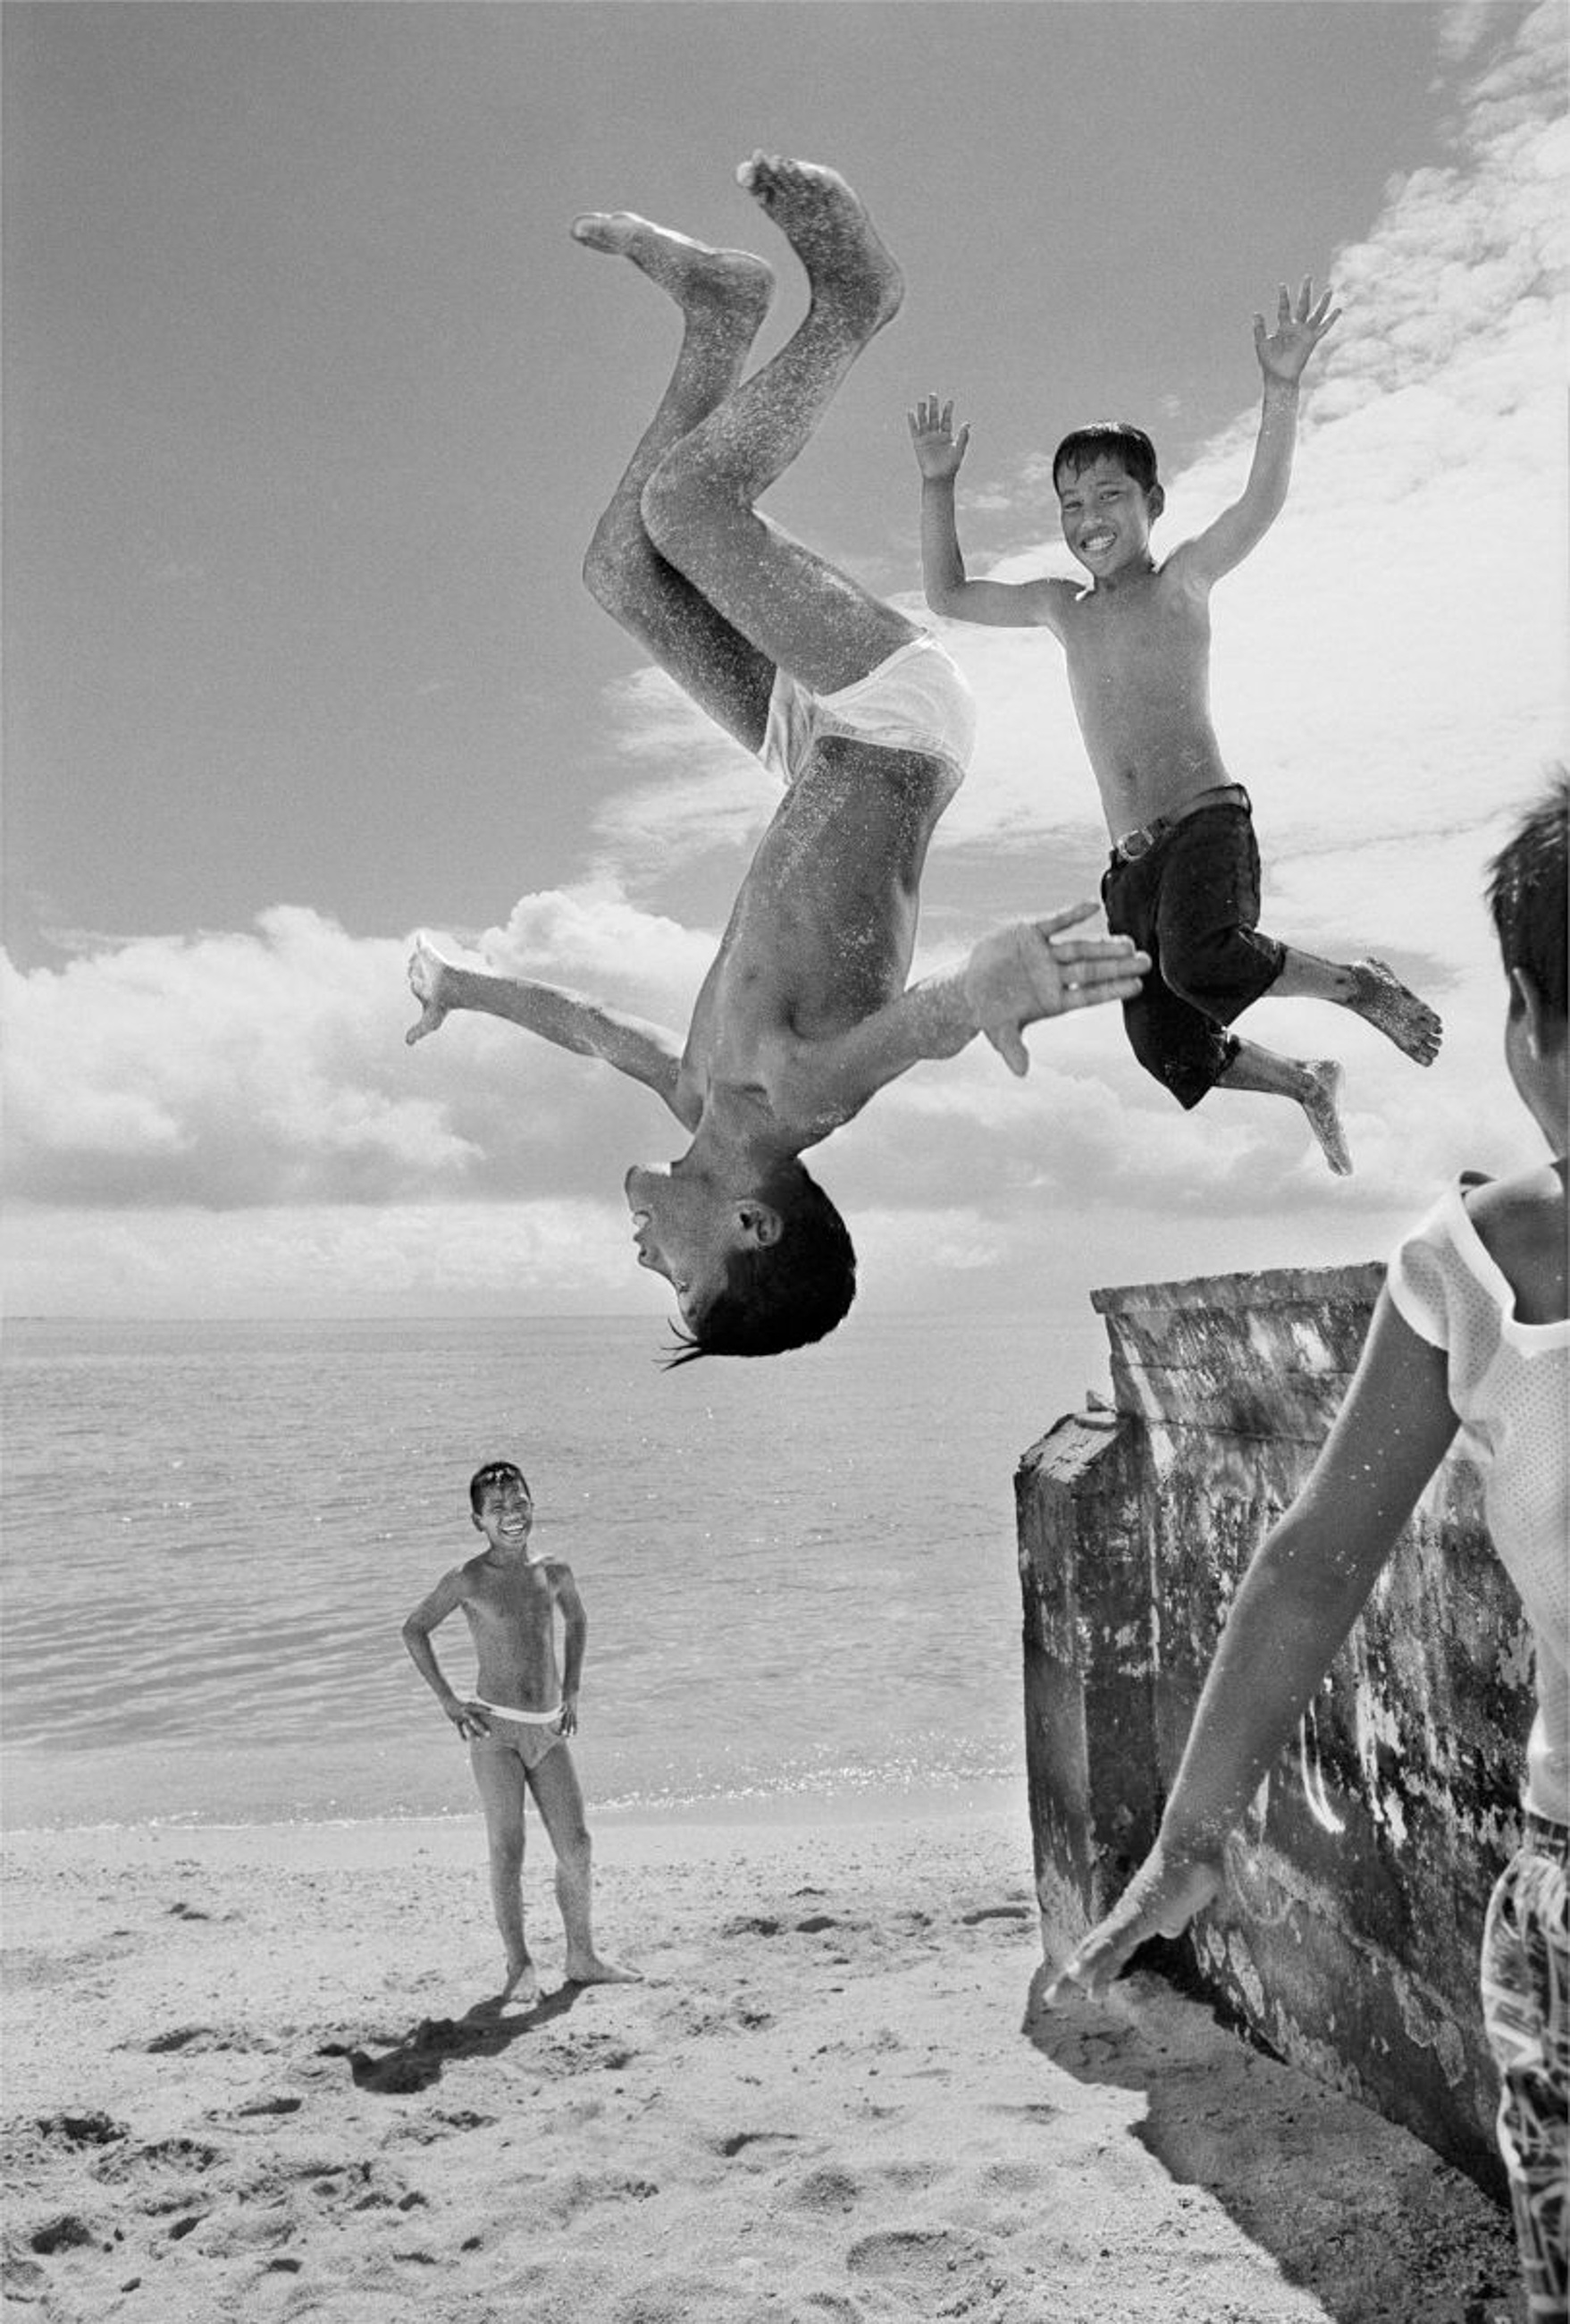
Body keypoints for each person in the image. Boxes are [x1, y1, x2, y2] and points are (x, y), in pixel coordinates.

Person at [407, 156, 1148, 1362]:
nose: (644, 1259)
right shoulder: (806, 1097)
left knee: (619, 571)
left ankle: (718, 314)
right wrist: (994, 983)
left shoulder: (697, 1097)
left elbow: (585, 1025)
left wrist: (462, 985)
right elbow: (930, 1022)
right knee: (691, 510)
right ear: (751, 1224)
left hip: (812, 758)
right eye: (680, 1276)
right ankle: (855, 300)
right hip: (896, 726)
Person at [1047, 779, 1567, 2319]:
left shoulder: (1483, 1262)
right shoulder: (1473, 1263)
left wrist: (1191, 1838)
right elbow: (1313, 1563)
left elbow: (1316, 1562)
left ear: (1522, 1012)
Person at [909, 282, 1443, 1176]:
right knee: (1164, 1045)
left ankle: (1358, 987)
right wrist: (937, 484)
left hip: (1203, 826)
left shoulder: (1182, 581)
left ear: (1152, 500)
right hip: (1130, 866)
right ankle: (1305, 1081)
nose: (1088, 519)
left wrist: (1280, 387)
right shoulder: (1060, 607)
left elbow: (1259, 503)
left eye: (1108, 496)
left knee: (1202, 962)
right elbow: (947, 593)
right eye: (1070, 504)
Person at [401, 1459, 640, 2002]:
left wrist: (572, 1689)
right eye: (497, 1508)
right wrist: (448, 1701)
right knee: (508, 1850)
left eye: (519, 1503)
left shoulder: (554, 1571)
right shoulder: (468, 1579)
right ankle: (519, 1964)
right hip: (496, 1733)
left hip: (548, 1731)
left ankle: (581, 1955)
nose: (511, 1514)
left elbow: (577, 1620)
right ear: (478, 1521)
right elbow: (414, 1629)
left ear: (532, 1506)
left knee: (576, 1845)